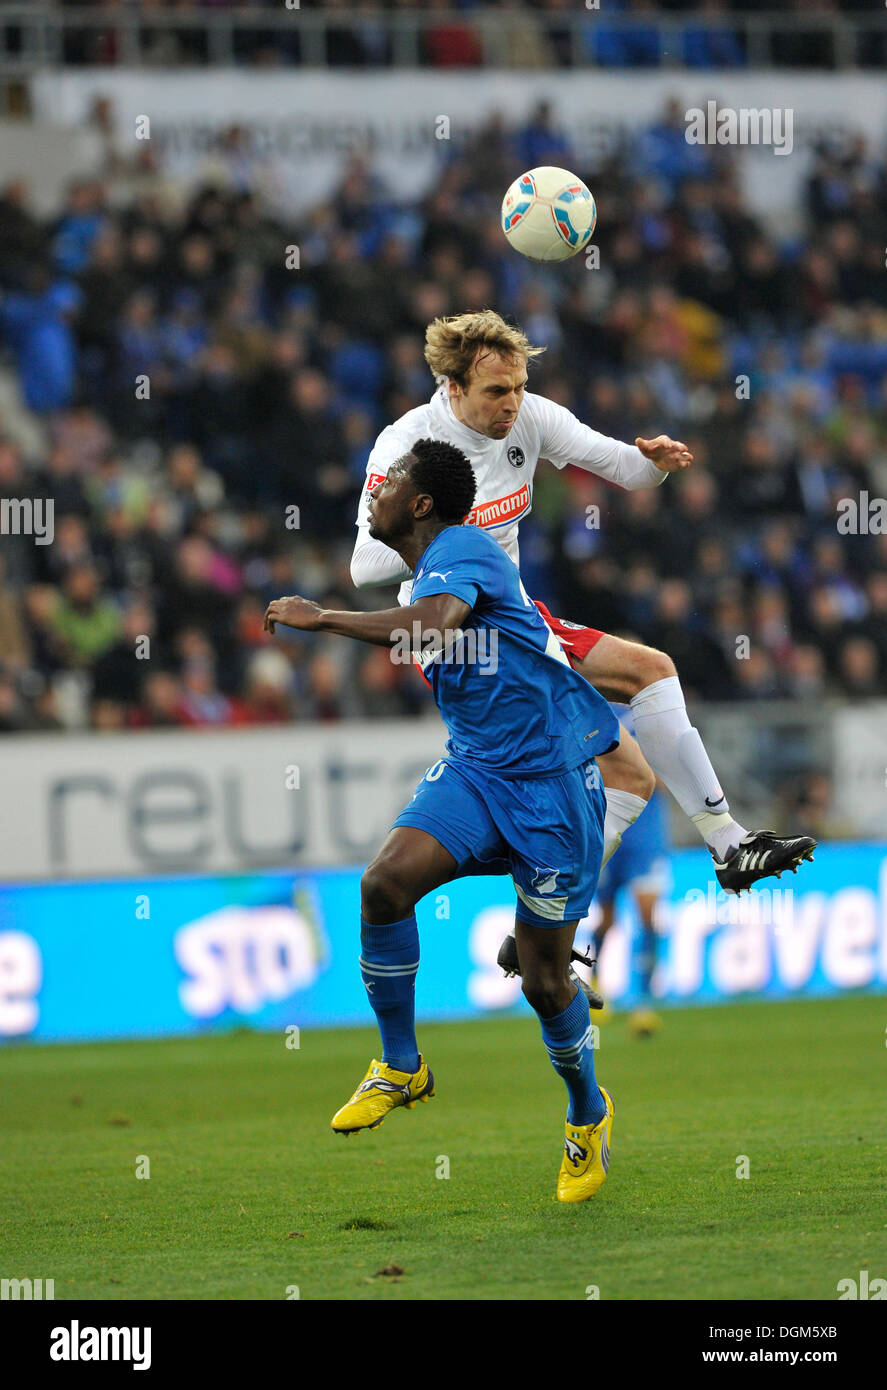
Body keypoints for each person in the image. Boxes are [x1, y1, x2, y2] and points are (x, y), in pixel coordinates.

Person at [350, 309, 816, 896]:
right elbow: (364, 565)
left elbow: (626, 469)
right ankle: (716, 847)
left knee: (632, 771)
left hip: (515, 617)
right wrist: (453, 531)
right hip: (454, 634)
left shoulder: (531, 419)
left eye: (519, 388)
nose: (512, 404)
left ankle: (557, 913)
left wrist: (654, 463)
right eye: (497, 391)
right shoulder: (407, 445)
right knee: (646, 686)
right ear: (454, 387)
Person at [264, 438, 617, 1202]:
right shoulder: (426, 572)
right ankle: (400, 1064)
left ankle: (587, 1113)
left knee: (546, 982)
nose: (375, 489)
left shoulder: (467, 548)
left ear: (421, 503)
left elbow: (430, 626)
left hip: (553, 793)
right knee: (384, 885)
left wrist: (320, 618)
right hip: (476, 771)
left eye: (389, 480)